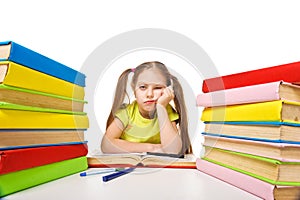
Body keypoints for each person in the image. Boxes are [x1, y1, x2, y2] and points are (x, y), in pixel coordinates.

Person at [101, 61, 192, 155]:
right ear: (134, 90)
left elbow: (173, 150)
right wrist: (151, 148)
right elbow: (106, 145)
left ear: (168, 91)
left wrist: (161, 108)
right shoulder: (126, 113)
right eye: (143, 87)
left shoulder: (166, 111)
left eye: (157, 87)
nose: (149, 94)